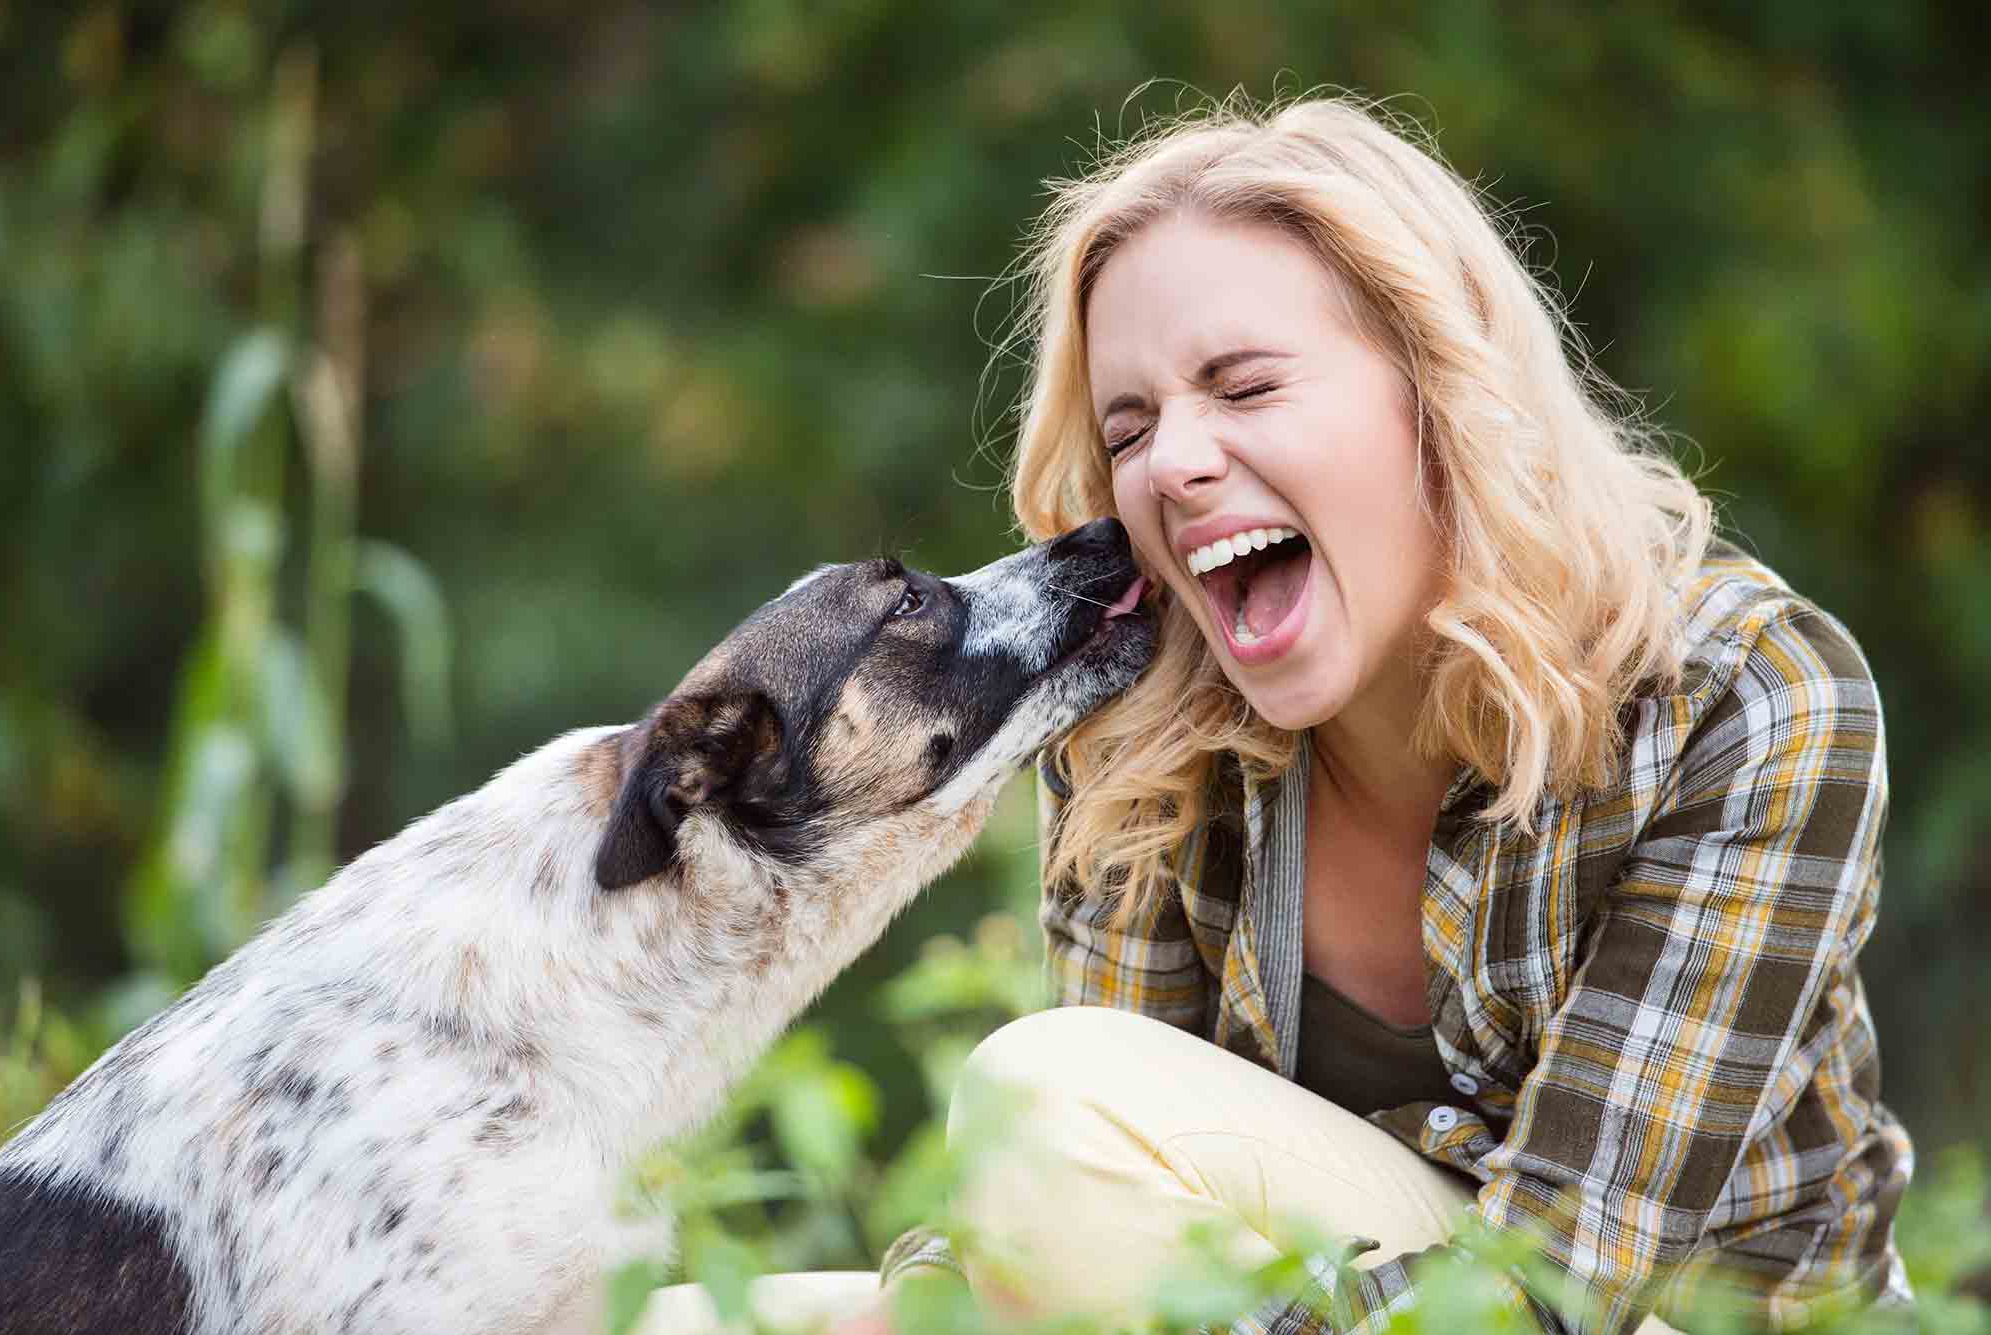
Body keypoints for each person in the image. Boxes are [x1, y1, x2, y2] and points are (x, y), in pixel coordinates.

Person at [643, 93, 1912, 1335]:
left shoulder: (1746, 693)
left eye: (1241, 389)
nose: (1172, 464)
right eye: (1128, 425)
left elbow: (1550, 1293)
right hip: (1317, 1302)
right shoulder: (1138, 727)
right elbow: (1069, 1215)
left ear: (1439, 389)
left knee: (1040, 1096)